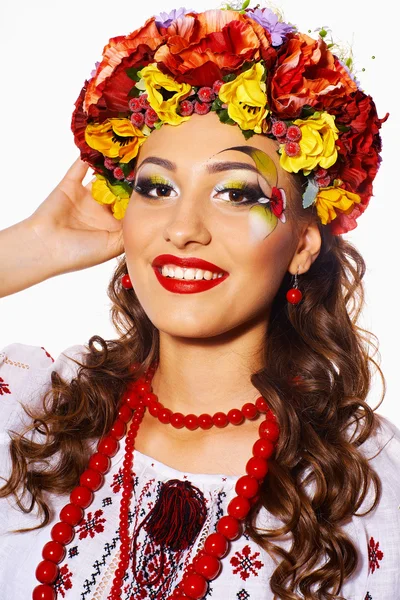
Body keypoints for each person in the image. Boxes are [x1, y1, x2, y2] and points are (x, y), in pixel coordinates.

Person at [0, 3, 399, 599]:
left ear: (302, 244)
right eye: (156, 188)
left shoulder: (364, 482)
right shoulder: (34, 412)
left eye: (237, 193)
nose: (183, 227)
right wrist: (29, 248)